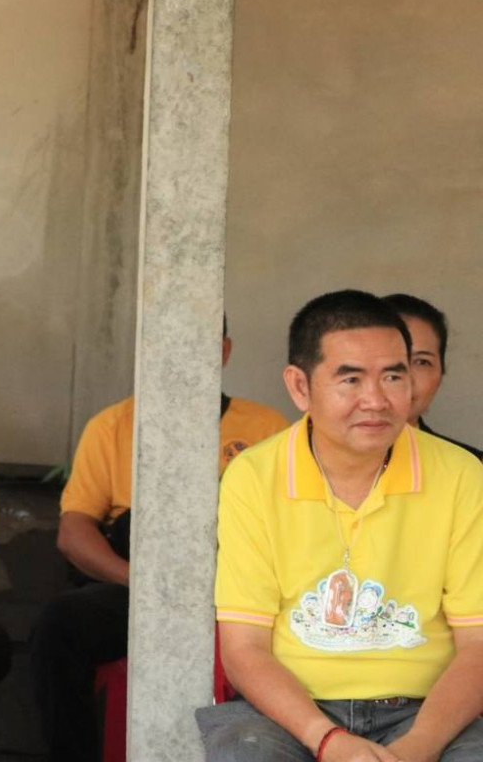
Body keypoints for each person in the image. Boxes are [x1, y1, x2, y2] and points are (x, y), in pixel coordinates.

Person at [198, 290, 483, 760]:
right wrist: (328, 740)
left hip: (426, 711)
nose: (376, 400)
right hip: (292, 713)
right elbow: (245, 648)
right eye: (351, 379)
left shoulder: (461, 475)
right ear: (300, 387)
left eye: (394, 376)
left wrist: (417, 747)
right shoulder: (254, 476)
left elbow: (477, 645)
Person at [31, 321, 287, 762]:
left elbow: (284, 530)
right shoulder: (112, 425)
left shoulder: (266, 426)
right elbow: (74, 534)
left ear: (224, 350)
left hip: (234, 590)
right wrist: (142, 583)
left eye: (196, 343)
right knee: (60, 624)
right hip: (136, 587)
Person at [382, 293, 482, 459]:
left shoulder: (470, 465)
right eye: (389, 359)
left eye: (422, 362)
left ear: (441, 372)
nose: (405, 377)